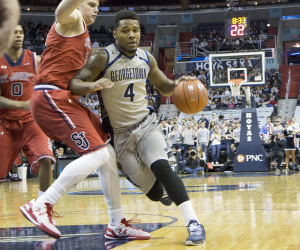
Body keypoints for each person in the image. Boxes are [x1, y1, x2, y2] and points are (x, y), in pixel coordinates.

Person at [70, 9, 206, 245]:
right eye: (126, 30)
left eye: (136, 30)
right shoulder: (102, 58)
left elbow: (163, 87)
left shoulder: (146, 57)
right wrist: (92, 86)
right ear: (114, 33)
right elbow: (74, 83)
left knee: (163, 168)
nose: (132, 35)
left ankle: (194, 223)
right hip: (119, 135)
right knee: (155, 194)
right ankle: (159, 191)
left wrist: (177, 84)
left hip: (146, 124)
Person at [19, 1, 149, 241]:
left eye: (98, 5)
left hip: (65, 98)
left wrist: (94, 85)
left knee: (108, 154)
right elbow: (60, 12)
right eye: (91, 3)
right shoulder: (73, 18)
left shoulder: (82, 31)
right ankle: (42, 204)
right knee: (98, 154)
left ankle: (116, 222)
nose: (96, 9)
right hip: (51, 95)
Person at [0, 25, 55, 189]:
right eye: (13, 32)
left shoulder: (35, 59)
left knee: (46, 159)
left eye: (20, 32)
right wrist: (19, 104)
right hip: (5, 123)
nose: (18, 36)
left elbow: (49, 84)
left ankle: (43, 205)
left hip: (31, 121)